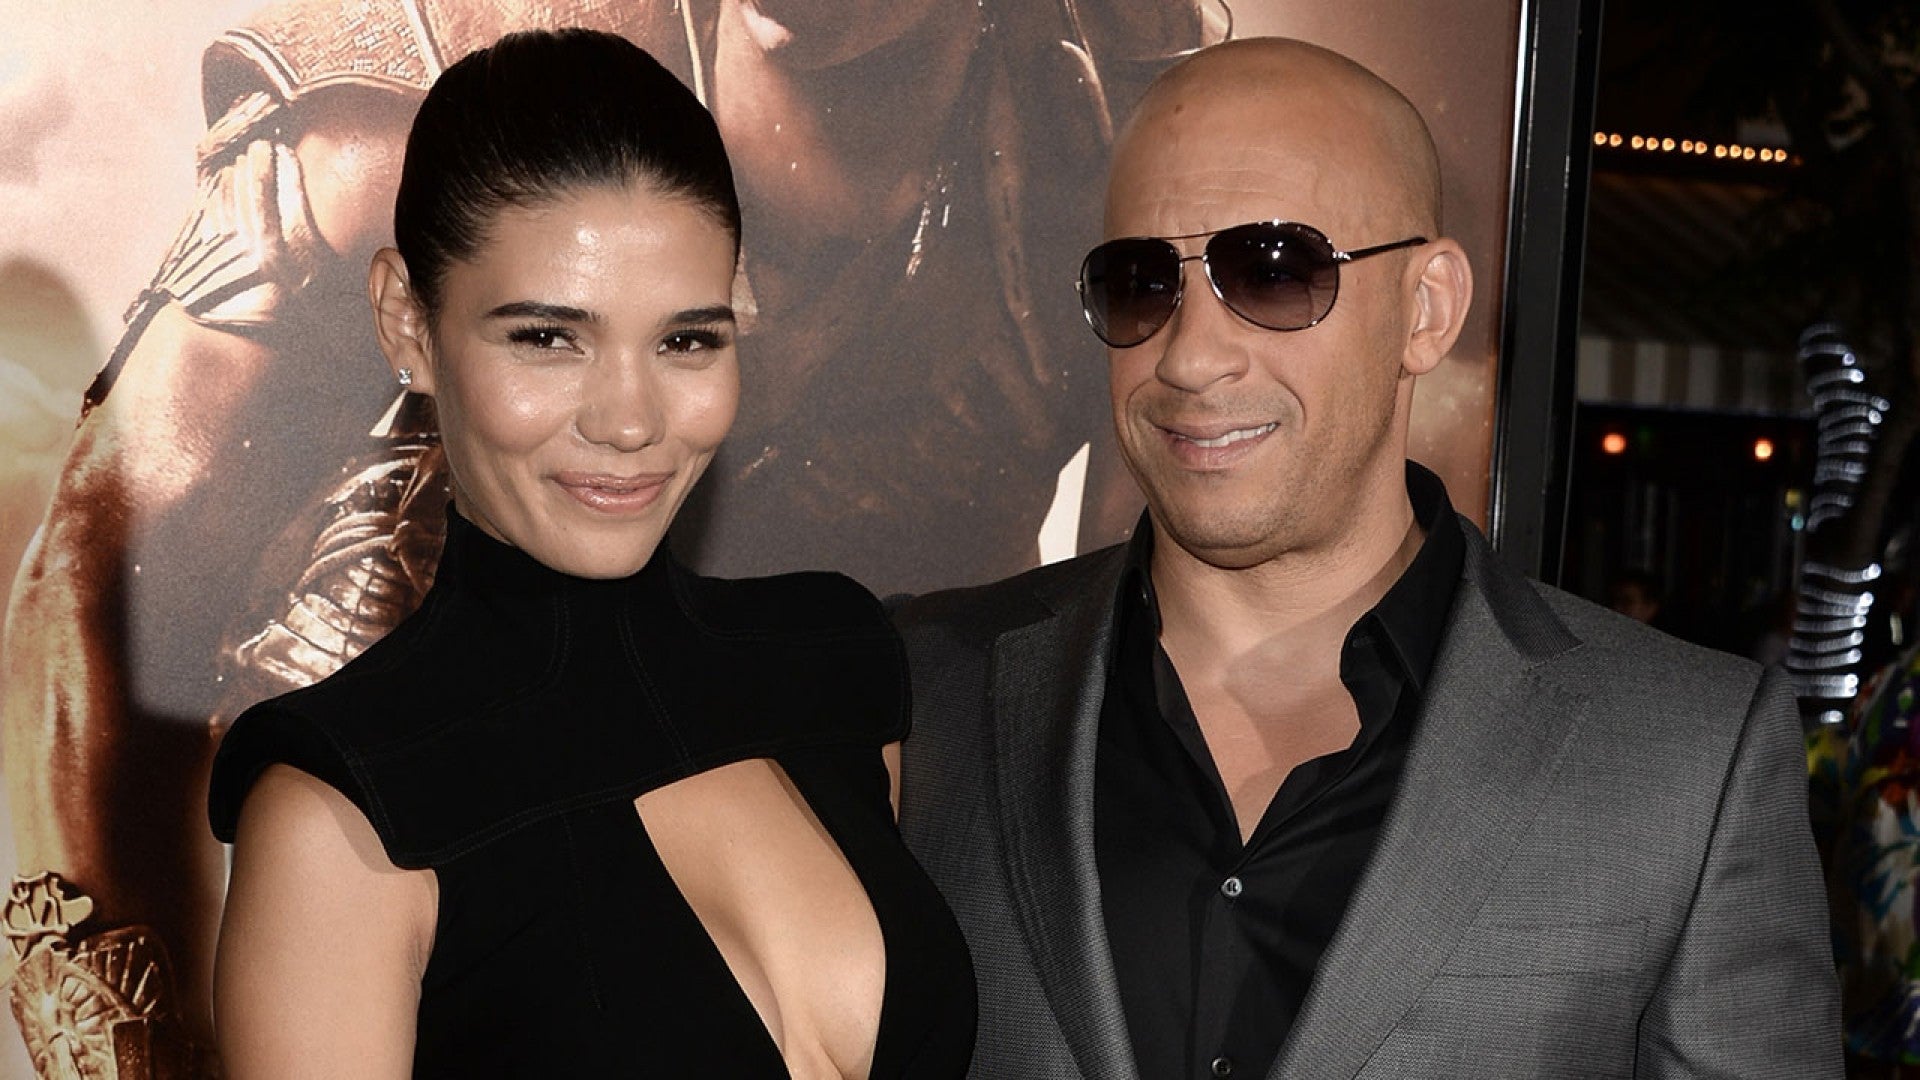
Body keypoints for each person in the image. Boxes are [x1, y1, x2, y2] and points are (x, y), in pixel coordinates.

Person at [895, 37, 1840, 1079]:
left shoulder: (1685, 761)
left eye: (1272, 271)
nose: (1190, 355)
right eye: (1141, 282)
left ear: (1425, 310)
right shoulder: (919, 694)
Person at [204, 30, 974, 1077]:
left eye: (686, 340)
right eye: (547, 338)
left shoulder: (832, 662)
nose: (629, 420)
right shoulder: (344, 810)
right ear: (407, 324)